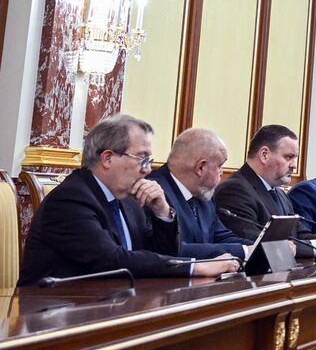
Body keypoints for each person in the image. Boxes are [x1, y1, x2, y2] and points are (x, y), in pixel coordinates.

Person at [19, 115, 239, 285]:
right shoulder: (71, 199)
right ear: (108, 158)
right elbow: (112, 261)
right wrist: (195, 267)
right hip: (53, 311)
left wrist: (162, 212)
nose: (147, 170)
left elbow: (161, 255)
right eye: (142, 159)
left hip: (114, 303)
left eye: (149, 160)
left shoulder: (129, 200)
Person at [214, 124, 316, 259]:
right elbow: (254, 243)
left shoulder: (280, 193)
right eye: (288, 157)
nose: (294, 165)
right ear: (264, 155)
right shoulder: (234, 190)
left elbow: (298, 234)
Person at [149, 127, 247, 259]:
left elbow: (221, 237)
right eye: (219, 166)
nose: (221, 172)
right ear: (200, 167)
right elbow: (174, 250)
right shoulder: (155, 194)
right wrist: (244, 251)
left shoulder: (203, 195)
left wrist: (260, 247)